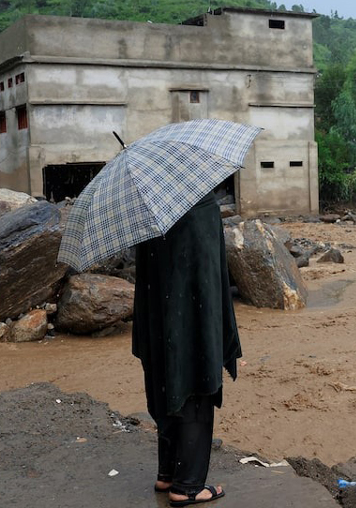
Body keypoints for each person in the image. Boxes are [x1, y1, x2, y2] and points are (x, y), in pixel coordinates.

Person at [132, 192, 241, 506]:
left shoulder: (149, 208)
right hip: (193, 317)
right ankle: (188, 485)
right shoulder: (202, 205)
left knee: (165, 383)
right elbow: (210, 272)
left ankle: (167, 473)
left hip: (157, 318)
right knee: (196, 382)